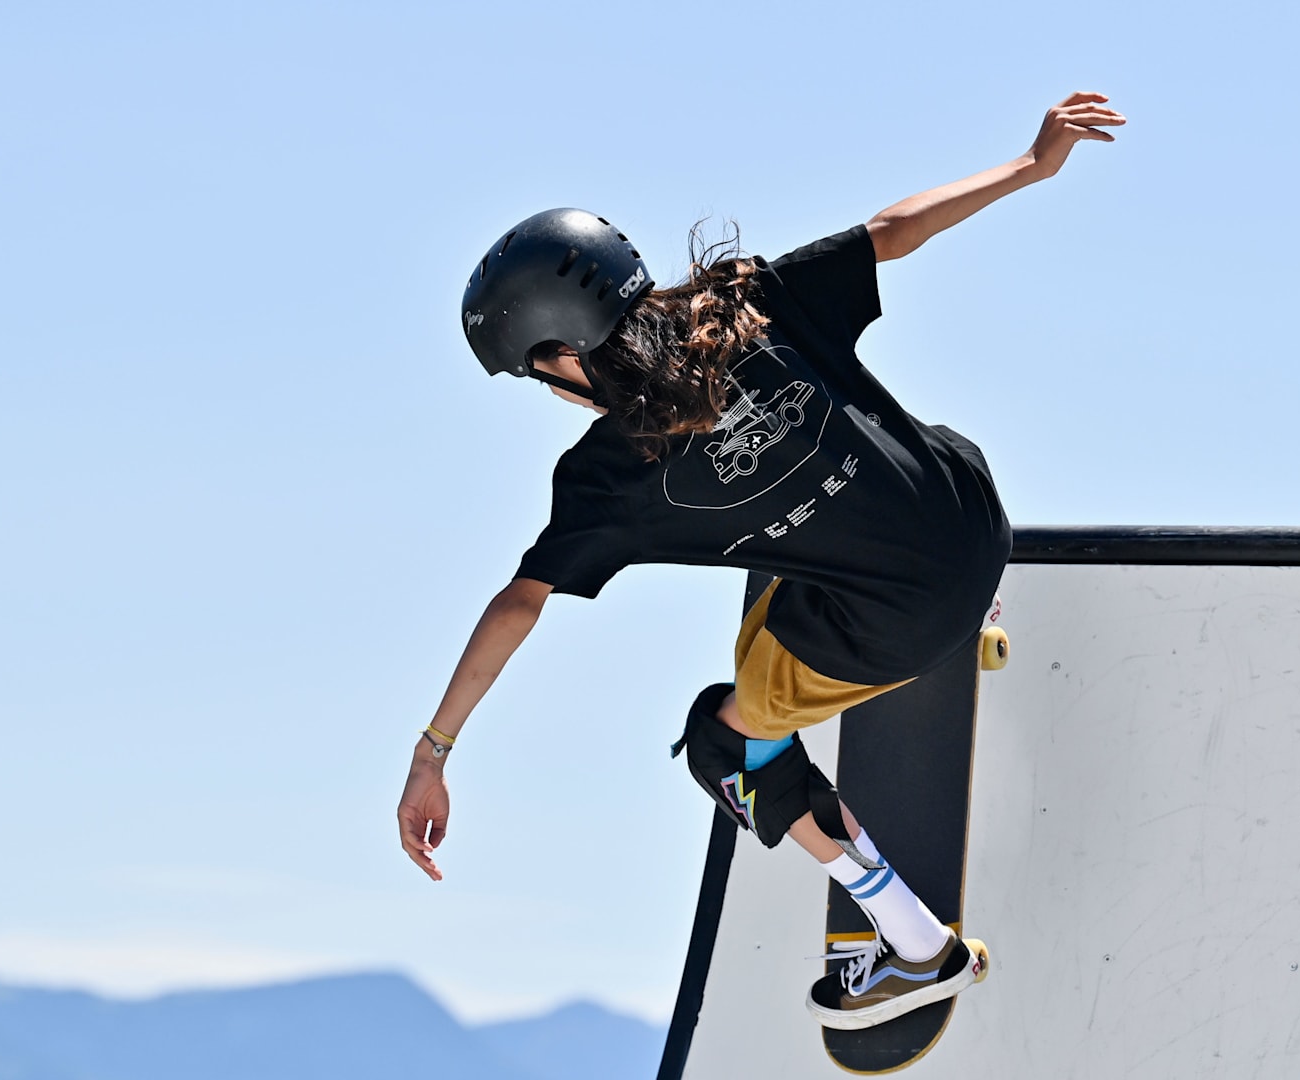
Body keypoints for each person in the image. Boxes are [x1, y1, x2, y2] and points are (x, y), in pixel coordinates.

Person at [398, 91, 1125, 1028]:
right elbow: (891, 232)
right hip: (975, 523)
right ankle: (971, 611)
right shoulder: (740, 301)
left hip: (896, 626)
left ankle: (913, 946)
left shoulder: (607, 476)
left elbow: (519, 605)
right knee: (875, 463)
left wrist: (434, 751)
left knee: (724, 741)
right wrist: (1031, 165)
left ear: (559, 355)